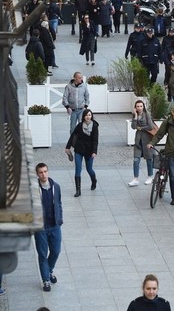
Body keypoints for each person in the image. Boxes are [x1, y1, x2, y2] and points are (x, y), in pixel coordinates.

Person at [35, 163, 63, 292]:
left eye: (45, 171)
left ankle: (49, 269)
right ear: (37, 174)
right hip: (41, 228)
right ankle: (46, 279)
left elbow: (59, 203)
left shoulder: (55, 187)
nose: (44, 174)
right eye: (41, 172)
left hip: (54, 225)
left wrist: (60, 218)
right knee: (42, 254)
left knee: (56, 251)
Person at [65, 109, 99, 197]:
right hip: (79, 149)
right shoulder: (80, 126)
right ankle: (78, 190)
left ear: (91, 116)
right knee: (78, 169)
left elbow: (95, 140)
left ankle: (94, 180)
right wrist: (68, 147)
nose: (88, 117)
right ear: (83, 116)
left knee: (89, 169)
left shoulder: (94, 126)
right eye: (86, 115)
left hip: (89, 150)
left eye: (89, 115)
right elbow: (72, 136)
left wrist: (94, 151)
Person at [129, 99, 156, 186]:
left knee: (149, 159)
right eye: (138, 106)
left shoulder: (147, 115)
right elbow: (133, 126)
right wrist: (135, 116)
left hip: (147, 140)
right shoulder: (134, 115)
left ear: (143, 107)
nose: (139, 108)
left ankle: (150, 176)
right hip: (138, 141)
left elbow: (151, 126)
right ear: (135, 108)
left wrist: (141, 128)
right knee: (136, 160)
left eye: (141, 106)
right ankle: (135, 178)